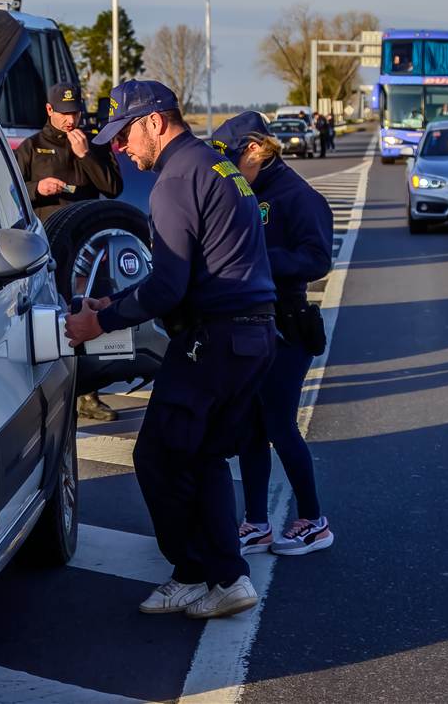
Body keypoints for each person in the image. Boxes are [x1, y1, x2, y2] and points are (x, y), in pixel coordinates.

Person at [65, 80, 277, 619]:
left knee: (156, 457)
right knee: (203, 456)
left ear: (155, 122)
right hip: (251, 336)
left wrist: (101, 322)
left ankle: (208, 571)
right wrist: (121, 297)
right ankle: (218, 576)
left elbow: (168, 288)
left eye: (125, 135)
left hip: (214, 339)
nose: (120, 150)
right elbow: (192, 269)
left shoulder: (175, 180)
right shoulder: (215, 165)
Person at [210, 112, 335, 556]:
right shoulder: (244, 191)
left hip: (287, 326)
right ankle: (257, 523)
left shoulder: (298, 196)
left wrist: (258, 259)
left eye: (230, 159)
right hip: (250, 328)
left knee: (280, 425)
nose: (223, 169)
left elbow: (318, 259)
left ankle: (314, 521)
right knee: (250, 428)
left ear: (256, 151)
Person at [15, 82, 123, 422]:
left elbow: (113, 187)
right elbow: (9, 191)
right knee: (51, 318)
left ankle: (87, 393)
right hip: (46, 247)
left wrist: (85, 156)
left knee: (87, 315)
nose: (71, 119)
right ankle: (49, 389)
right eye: (64, 113)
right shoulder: (32, 147)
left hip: (87, 248)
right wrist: (36, 189)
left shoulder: (91, 142)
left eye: (75, 112)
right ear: (50, 111)